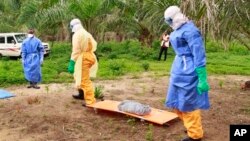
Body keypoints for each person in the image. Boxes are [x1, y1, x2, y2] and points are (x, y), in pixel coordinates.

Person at [164, 6, 210, 141]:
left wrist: (202, 77)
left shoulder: (191, 31)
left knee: (188, 103)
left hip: (189, 70)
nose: (169, 23)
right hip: (178, 69)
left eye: (169, 20)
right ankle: (190, 125)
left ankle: (195, 135)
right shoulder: (178, 30)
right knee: (176, 102)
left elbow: (199, 54)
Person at [68, 18, 98, 106]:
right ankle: (81, 94)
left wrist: (72, 62)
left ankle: (90, 102)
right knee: (78, 76)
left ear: (73, 26)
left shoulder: (77, 35)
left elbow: (76, 50)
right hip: (90, 56)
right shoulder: (86, 33)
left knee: (84, 80)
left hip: (83, 58)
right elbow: (94, 44)